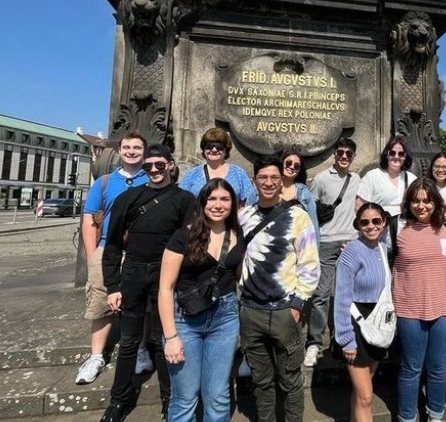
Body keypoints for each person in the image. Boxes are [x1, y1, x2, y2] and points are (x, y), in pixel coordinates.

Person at [100, 144, 195, 422]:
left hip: (165, 276)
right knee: (129, 341)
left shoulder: (184, 199)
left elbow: (189, 245)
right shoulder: (128, 198)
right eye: (149, 166)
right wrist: (112, 285)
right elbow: (114, 244)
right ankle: (119, 400)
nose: (154, 170)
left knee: (161, 339)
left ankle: (169, 398)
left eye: (159, 165)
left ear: (170, 165)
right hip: (133, 273)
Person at [239, 155, 320, 422]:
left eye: (274, 177)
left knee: (290, 381)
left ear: (282, 180)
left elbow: (309, 264)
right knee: (261, 382)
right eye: (263, 177)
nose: (269, 182)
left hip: (284, 310)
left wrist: (297, 306)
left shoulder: (298, 216)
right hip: (251, 311)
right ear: (254, 181)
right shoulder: (244, 217)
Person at [158, 178, 245, 422]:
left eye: (225, 199)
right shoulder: (183, 237)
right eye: (212, 198)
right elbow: (165, 288)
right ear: (202, 202)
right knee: (185, 397)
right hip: (186, 319)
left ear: (233, 204)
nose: (218, 205)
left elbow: (241, 276)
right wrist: (171, 337)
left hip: (225, 318)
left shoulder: (238, 236)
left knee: (218, 396)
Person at [76, 132, 149, 385]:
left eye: (137, 147)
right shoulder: (105, 182)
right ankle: (96, 355)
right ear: (119, 150)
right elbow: (89, 217)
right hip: (107, 249)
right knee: (100, 303)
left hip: (140, 250)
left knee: (141, 303)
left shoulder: (151, 179)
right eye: (127, 147)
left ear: (144, 151)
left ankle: (141, 350)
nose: (131, 151)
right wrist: (93, 252)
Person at [390, 177, 446, 422]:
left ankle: (435, 415)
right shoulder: (398, 228)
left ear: (436, 202)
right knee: (411, 369)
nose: (422, 206)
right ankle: (407, 417)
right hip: (410, 310)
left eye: (427, 201)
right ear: (408, 203)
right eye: (416, 201)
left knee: (439, 369)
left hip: (444, 308)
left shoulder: (445, 226)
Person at [304, 137, 361, 367]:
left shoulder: (357, 179)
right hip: (326, 242)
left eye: (348, 153)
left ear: (353, 156)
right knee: (321, 295)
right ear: (334, 155)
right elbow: (310, 207)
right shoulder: (320, 179)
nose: (344, 157)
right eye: (340, 153)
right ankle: (314, 343)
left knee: (345, 296)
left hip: (350, 242)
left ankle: (342, 339)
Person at [333, 203, 391, 422]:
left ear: (384, 222)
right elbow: (341, 298)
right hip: (355, 324)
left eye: (376, 221)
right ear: (358, 224)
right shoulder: (350, 253)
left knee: (361, 394)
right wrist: (346, 339)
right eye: (365, 222)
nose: (371, 226)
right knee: (366, 395)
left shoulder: (383, 249)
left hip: (376, 324)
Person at [246, 148, 319, 240]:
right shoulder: (259, 190)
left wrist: (314, 251)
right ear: (281, 163)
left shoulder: (303, 192)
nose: (292, 167)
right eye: (288, 163)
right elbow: (247, 219)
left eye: (296, 166)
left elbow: (313, 226)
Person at [179, 127, 255, 205]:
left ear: (226, 149)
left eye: (219, 147)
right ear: (204, 149)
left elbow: (249, 202)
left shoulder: (238, 173)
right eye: (209, 146)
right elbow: (180, 201)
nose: (214, 150)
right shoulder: (192, 174)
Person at [355, 136, 417, 218]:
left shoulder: (412, 179)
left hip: (404, 228)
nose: (396, 156)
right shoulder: (372, 176)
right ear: (387, 155)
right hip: (380, 228)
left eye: (401, 154)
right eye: (392, 153)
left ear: (405, 157)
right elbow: (359, 206)